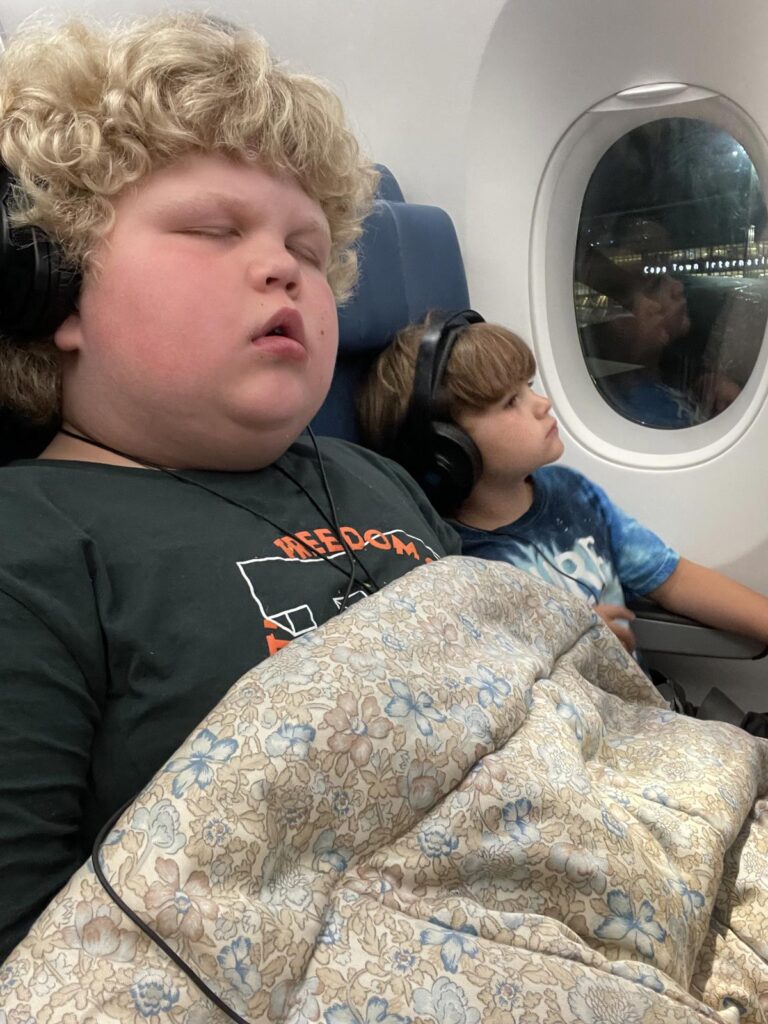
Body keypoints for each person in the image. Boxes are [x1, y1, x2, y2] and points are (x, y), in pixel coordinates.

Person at [0, 14, 462, 961]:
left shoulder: (376, 476)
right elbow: (34, 957)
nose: (282, 268)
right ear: (54, 288)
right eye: (214, 230)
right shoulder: (29, 545)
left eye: (310, 249)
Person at [357, 314, 768, 657]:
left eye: (528, 387)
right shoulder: (452, 559)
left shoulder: (572, 493)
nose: (543, 404)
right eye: (510, 401)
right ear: (448, 448)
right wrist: (572, 642)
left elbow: (672, 579)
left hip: (634, 711)